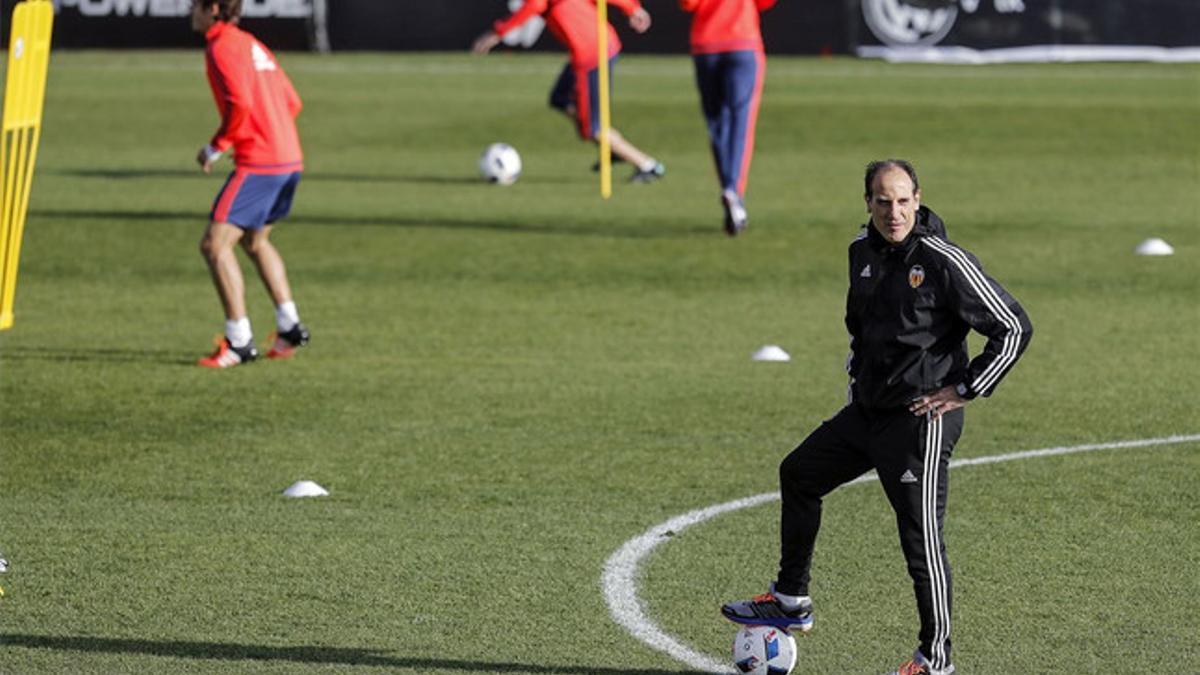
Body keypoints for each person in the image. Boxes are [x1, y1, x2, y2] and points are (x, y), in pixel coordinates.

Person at [721, 160, 1033, 675]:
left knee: (920, 539)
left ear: (918, 199)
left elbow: (1014, 326)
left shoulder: (943, 259)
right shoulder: (860, 251)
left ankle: (935, 661)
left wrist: (966, 388)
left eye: (903, 201)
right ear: (867, 202)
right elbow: (860, 328)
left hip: (920, 420)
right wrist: (857, 382)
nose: (894, 213)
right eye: (883, 202)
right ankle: (791, 599)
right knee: (799, 474)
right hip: (867, 413)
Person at [191, 0, 310, 368]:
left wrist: (217, 146)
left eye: (194, 5)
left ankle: (239, 341)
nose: (190, 12)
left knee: (214, 245)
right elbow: (292, 102)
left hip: (261, 161)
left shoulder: (221, 46)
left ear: (213, 8)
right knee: (255, 241)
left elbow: (239, 102)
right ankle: (289, 325)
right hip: (289, 156)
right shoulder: (251, 43)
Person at [472, 0, 666, 183]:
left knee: (593, 129)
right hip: (595, 47)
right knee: (560, 98)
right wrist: (632, 8)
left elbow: (533, 5)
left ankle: (647, 165)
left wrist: (497, 33)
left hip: (591, 55)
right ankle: (611, 149)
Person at [678, 0, 775, 236]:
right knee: (740, 121)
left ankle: (730, 192)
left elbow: (687, 3)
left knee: (717, 124)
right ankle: (733, 191)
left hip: (707, 45)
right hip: (743, 41)